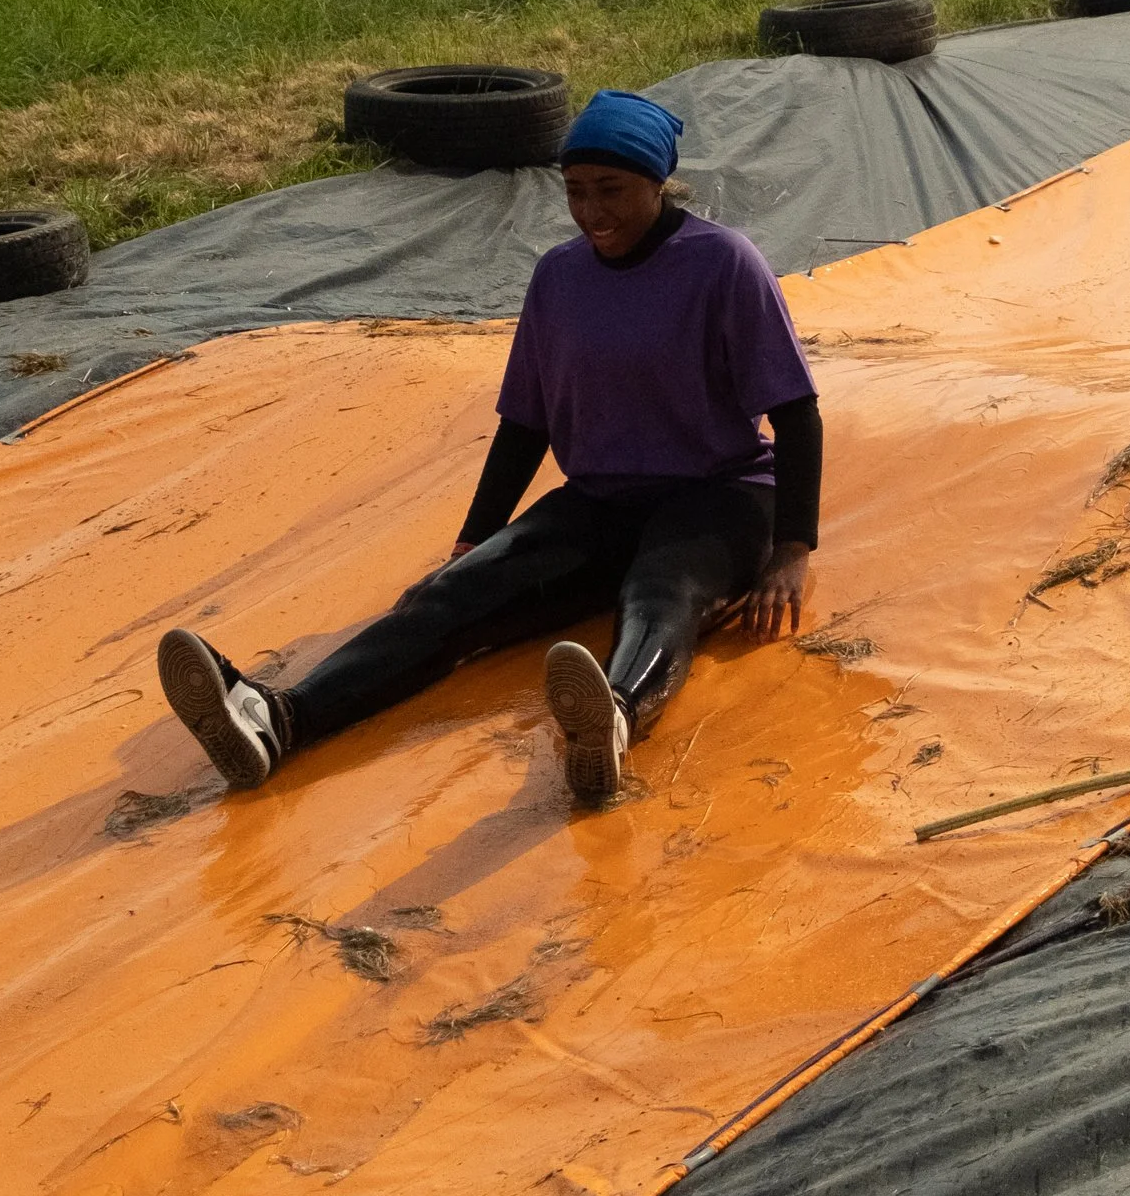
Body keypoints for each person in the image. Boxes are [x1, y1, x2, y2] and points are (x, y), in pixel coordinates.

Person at [157, 89, 821, 809]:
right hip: (600, 498)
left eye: (612, 190)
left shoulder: (723, 264)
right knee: (454, 598)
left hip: (719, 493)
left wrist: (792, 550)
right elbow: (525, 424)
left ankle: (615, 716)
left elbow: (796, 413)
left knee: (661, 590)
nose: (592, 211)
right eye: (575, 192)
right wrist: (475, 539)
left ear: (657, 184)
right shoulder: (559, 279)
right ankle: (280, 720)